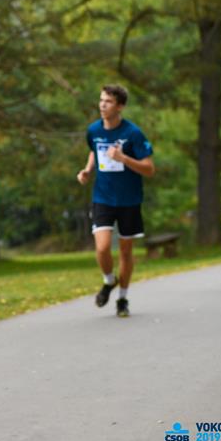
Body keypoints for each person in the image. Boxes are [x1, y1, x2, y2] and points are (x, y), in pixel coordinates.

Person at [76, 85, 155, 317]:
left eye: (108, 101)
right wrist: (88, 170)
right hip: (103, 197)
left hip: (129, 199)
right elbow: (94, 151)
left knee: (125, 252)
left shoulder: (133, 133)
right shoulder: (93, 130)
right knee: (102, 248)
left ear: (120, 106)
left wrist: (123, 158)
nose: (102, 105)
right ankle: (109, 280)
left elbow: (149, 169)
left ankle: (122, 298)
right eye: (101, 100)